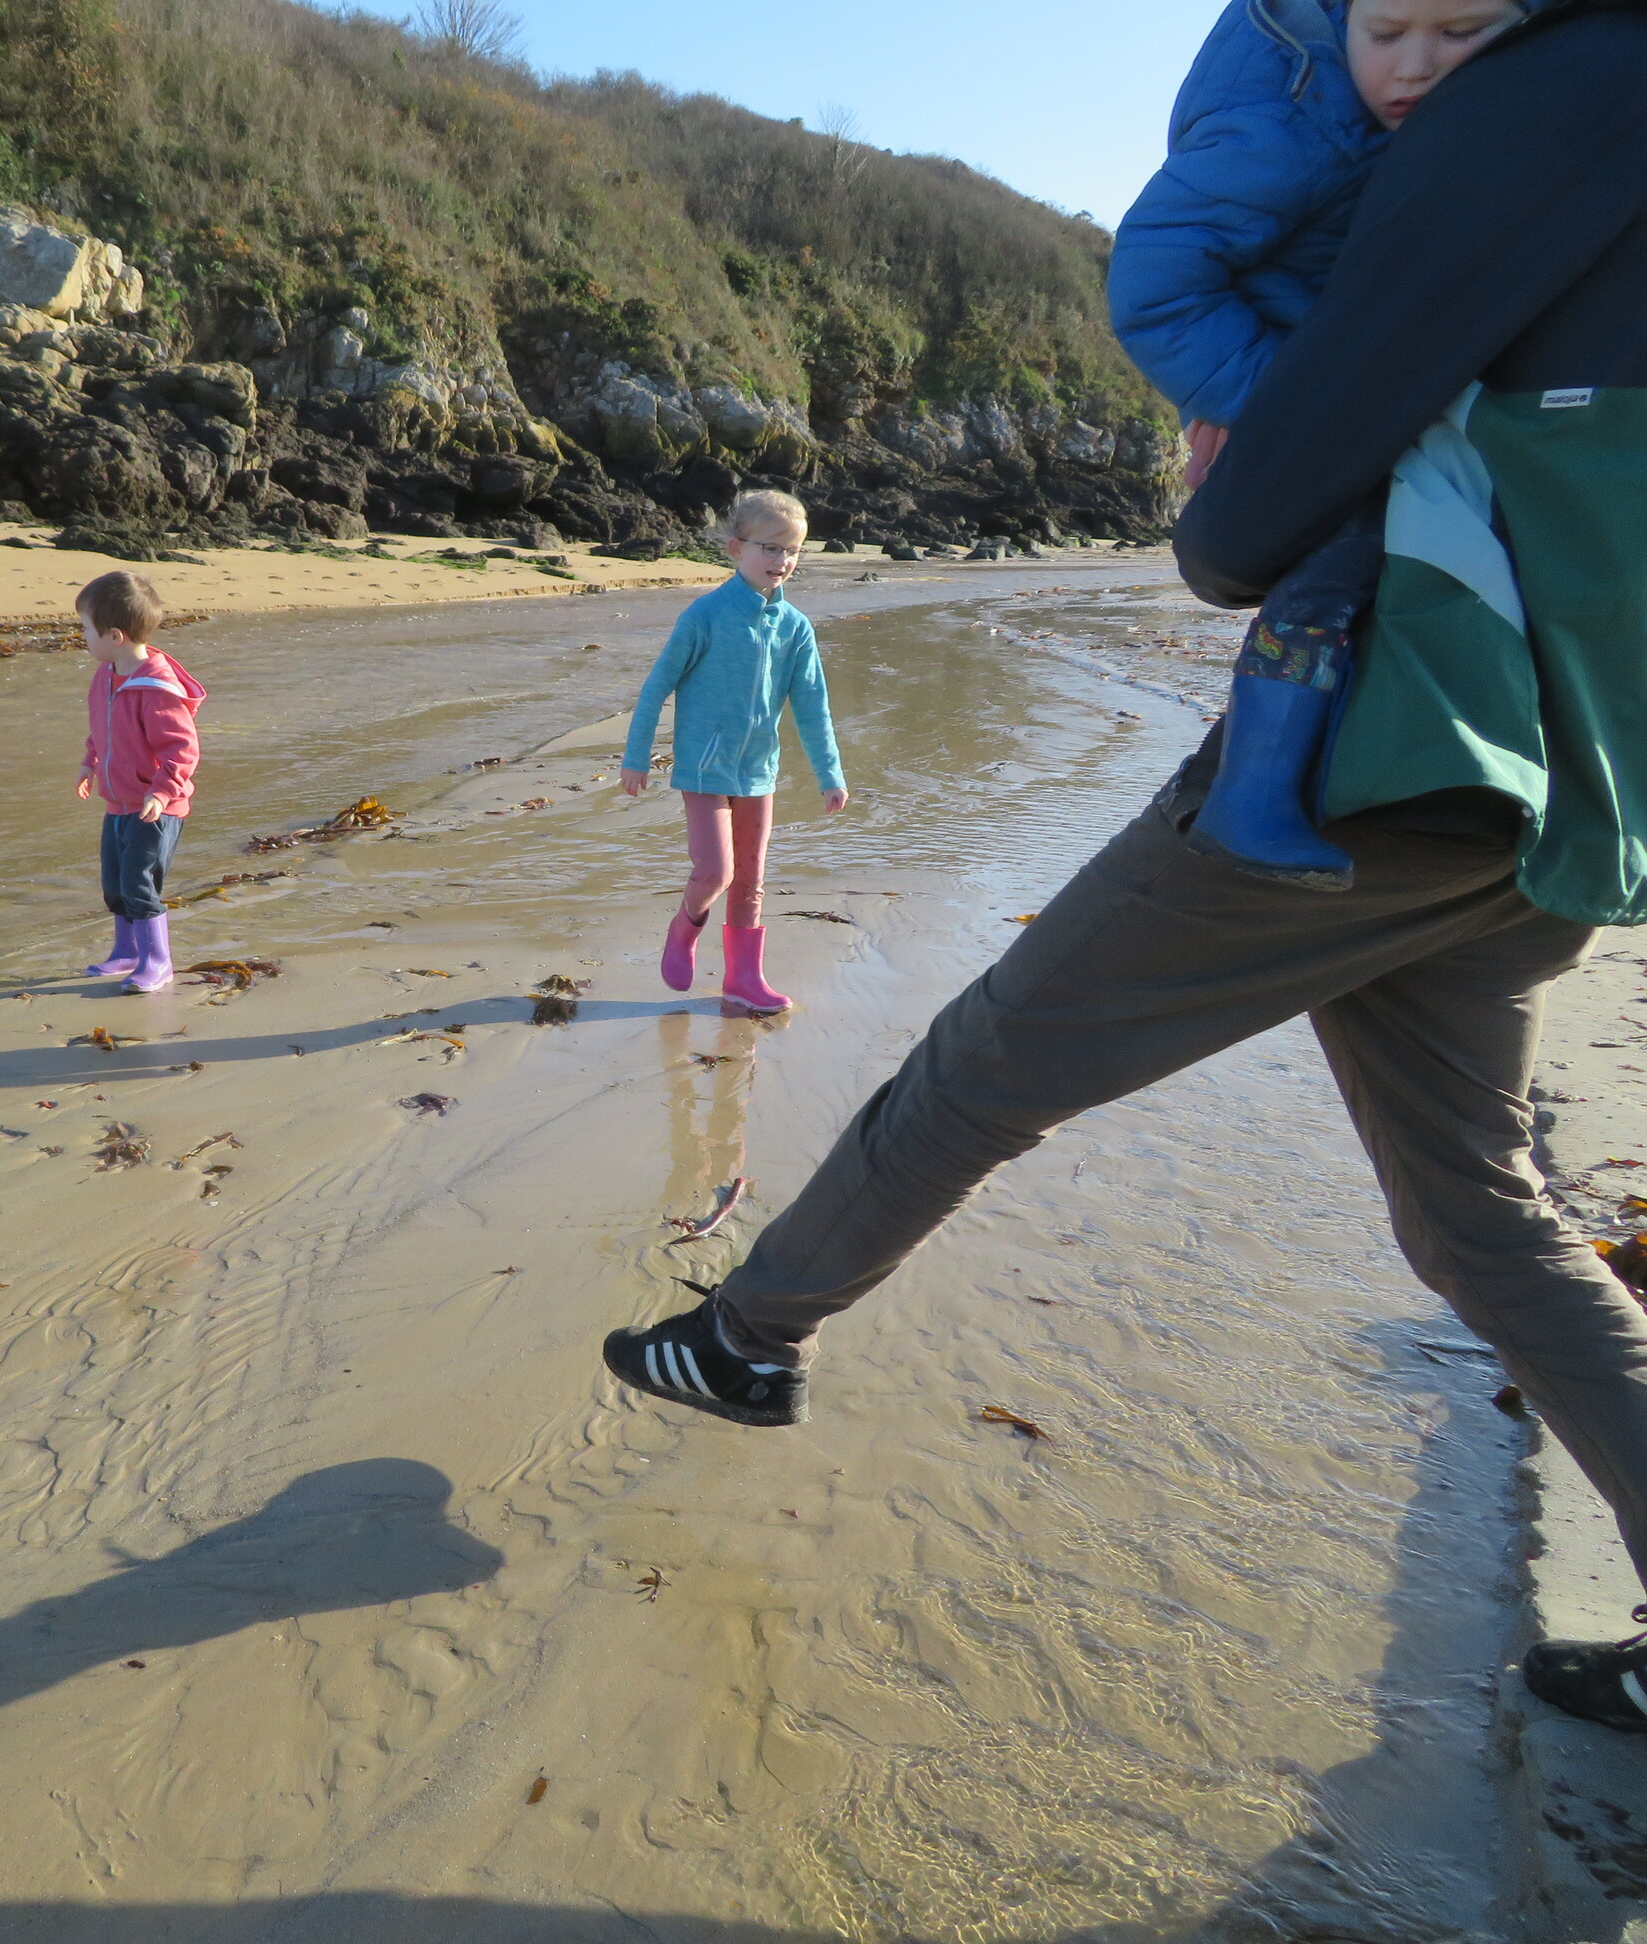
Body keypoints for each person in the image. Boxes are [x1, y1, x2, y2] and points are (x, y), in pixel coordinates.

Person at [600, 0, 1647, 1734]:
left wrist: (1240, 473)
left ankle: (747, 1337)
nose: (1423, 47)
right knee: (1482, 1213)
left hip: (1390, 756)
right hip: (1573, 783)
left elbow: (1236, 538)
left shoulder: (1515, 118)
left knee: (989, 1061)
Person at [1111, 0, 1526, 892]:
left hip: (1339, 389)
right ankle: (1250, 796)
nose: (1415, 65)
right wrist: (1283, 407)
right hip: (1296, 398)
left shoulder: (1379, 109)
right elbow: (1155, 283)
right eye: (1387, 34)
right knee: (1337, 569)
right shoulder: (1296, 122)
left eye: (1460, 33)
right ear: (1342, 20)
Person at [619, 491, 851, 1018]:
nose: (782, 561)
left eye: (792, 551)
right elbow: (657, 687)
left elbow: (812, 706)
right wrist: (636, 757)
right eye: (770, 548)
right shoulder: (706, 615)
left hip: (758, 771)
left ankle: (744, 979)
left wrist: (830, 774)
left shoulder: (795, 627)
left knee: (750, 879)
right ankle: (685, 928)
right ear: (735, 548)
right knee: (715, 872)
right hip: (703, 768)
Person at [74, 570, 205, 995]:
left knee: (139, 882)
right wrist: (90, 763)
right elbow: (102, 728)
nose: (82, 637)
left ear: (115, 636)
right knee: (115, 884)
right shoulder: (107, 675)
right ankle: (127, 951)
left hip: (156, 807)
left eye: (85, 629)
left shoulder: (156, 688)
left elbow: (182, 749)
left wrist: (162, 791)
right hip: (118, 803)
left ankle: (157, 961)